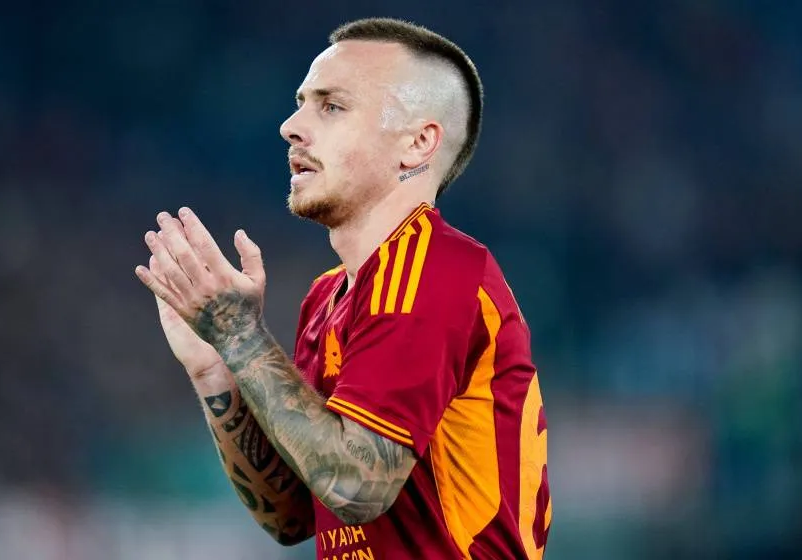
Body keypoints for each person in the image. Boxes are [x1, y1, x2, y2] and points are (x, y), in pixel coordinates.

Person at [134, 17, 550, 560]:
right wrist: (215, 367)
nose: (290, 126)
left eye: (331, 106)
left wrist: (239, 335)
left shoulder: (436, 269)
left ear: (418, 143)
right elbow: (291, 514)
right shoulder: (329, 296)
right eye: (301, 103)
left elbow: (358, 487)